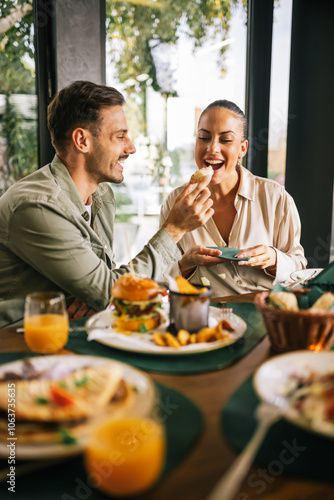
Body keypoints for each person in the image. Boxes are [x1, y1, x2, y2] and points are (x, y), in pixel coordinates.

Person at [0, 81, 217, 327]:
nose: (131, 147)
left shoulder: (102, 195)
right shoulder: (37, 206)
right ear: (82, 140)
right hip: (17, 344)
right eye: (120, 136)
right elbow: (110, 293)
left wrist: (104, 296)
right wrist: (174, 229)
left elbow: (106, 288)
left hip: (73, 333)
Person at [159, 99, 307, 297]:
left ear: (242, 149)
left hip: (264, 315)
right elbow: (159, 276)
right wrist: (186, 263)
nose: (212, 148)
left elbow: (300, 272)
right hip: (201, 317)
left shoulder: (276, 198)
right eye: (204, 137)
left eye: (225, 140)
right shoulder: (176, 202)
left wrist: (274, 259)